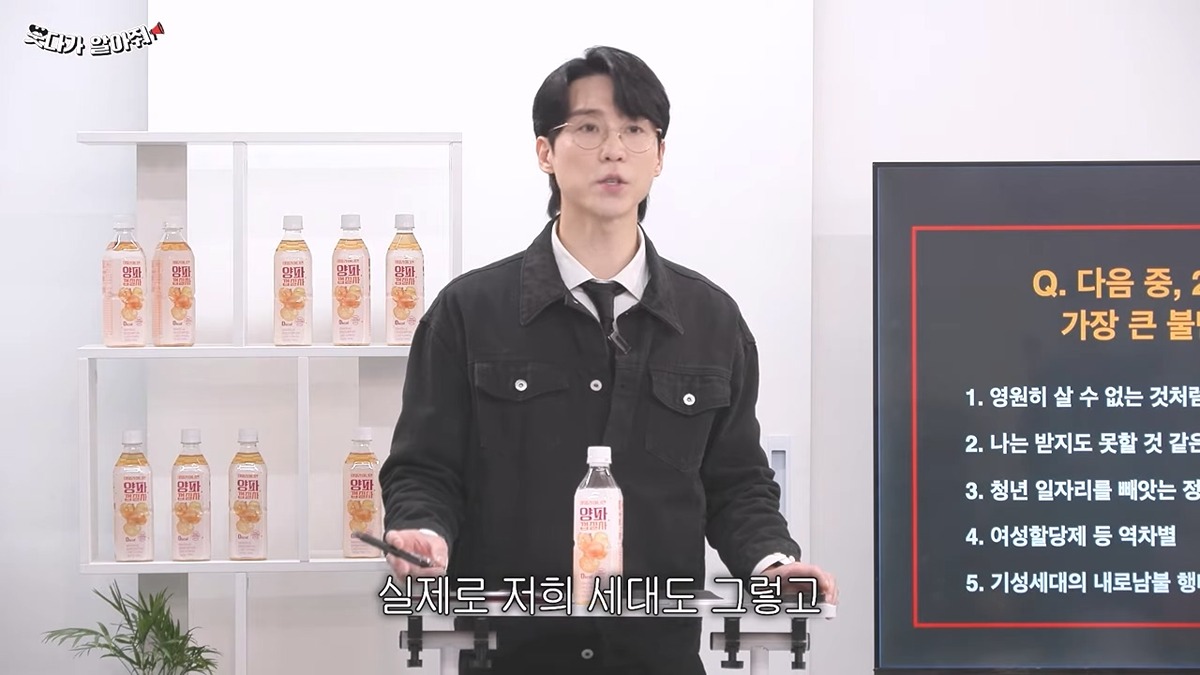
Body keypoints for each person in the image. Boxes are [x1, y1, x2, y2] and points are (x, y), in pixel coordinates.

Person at [379, 45, 838, 674]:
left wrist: (772, 563)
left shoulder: (711, 320)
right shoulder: (469, 312)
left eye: (635, 130)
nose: (614, 150)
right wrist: (424, 530)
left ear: (659, 154)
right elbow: (425, 467)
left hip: (658, 659)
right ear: (545, 150)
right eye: (589, 128)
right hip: (508, 656)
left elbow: (736, 483)